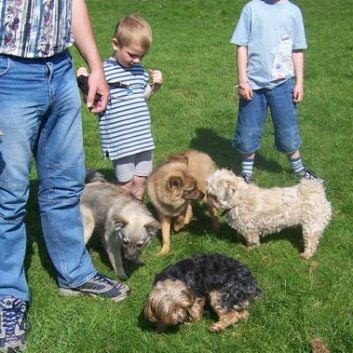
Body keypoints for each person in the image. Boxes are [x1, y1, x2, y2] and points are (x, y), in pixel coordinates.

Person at [0, 1, 130, 352]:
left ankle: (74, 273)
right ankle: (7, 297)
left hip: (59, 68)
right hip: (7, 72)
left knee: (65, 185)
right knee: (8, 197)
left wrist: (95, 65)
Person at [230, 0, 323, 184]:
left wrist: (299, 83)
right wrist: (243, 81)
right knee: (247, 132)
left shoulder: (293, 12)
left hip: (284, 85)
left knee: (288, 132)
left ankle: (299, 171)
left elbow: (297, 50)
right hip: (253, 85)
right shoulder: (251, 8)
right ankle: (246, 175)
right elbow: (241, 46)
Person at [78, 14, 163, 202]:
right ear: (116, 44)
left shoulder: (139, 71)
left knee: (140, 181)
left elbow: (140, 96)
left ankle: (137, 217)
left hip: (142, 137)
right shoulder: (103, 70)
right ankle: (121, 217)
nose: (137, 60)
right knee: (125, 185)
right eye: (132, 55)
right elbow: (92, 103)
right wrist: (82, 81)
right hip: (121, 140)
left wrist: (154, 87)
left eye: (141, 56)